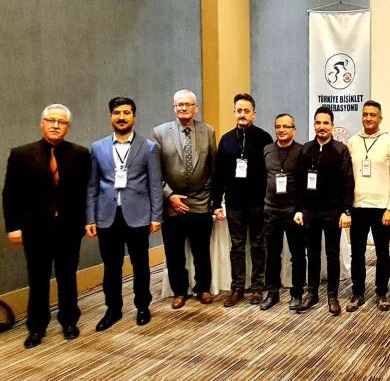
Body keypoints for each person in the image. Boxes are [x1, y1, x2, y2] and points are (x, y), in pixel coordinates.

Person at [3, 104, 90, 348]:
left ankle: (69, 321)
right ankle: (36, 327)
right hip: (35, 229)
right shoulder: (21, 154)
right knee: (38, 278)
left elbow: (86, 192)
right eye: (51, 120)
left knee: (67, 276)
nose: (56, 125)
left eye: (61, 122)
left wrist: (86, 222)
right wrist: (13, 227)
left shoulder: (80, 154)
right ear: (42, 123)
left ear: (67, 127)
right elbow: (10, 194)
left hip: (69, 228)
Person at [86, 97, 163, 331]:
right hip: (107, 216)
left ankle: (142, 306)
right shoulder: (98, 147)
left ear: (134, 117)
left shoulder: (149, 147)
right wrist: (90, 218)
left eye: (126, 113)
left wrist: (156, 216)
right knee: (111, 267)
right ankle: (113, 309)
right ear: (111, 116)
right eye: (117, 113)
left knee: (141, 265)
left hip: (138, 215)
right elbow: (92, 185)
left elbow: (155, 185)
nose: (121, 117)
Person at [152, 90, 216, 309]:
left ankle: (203, 288)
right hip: (172, 203)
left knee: (201, 250)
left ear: (195, 108)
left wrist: (209, 196)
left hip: (200, 201)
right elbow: (156, 171)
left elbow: (213, 167)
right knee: (174, 252)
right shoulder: (160, 133)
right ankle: (179, 291)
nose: (184, 108)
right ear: (174, 108)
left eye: (188, 104)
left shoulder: (208, 131)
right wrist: (170, 196)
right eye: (179, 105)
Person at [211, 93, 273, 307]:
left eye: (247, 111)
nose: (242, 114)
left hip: (258, 203)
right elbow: (218, 174)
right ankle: (237, 288)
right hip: (234, 203)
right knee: (237, 247)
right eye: (239, 111)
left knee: (258, 245)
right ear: (234, 113)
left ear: (254, 114)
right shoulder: (226, 139)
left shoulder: (264, 138)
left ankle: (257, 287)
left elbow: (270, 173)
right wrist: (216, 203)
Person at [293, 106, 354, 316]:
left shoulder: (340, 150)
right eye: (318, 123)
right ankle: (312, 293)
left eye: (326, 123)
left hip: (333, 212)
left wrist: (346, 211)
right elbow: (299, 182)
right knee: (312, 254)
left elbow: (348, 182)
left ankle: (332, 295)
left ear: (332, 126)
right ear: (314, 125)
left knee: (332, 253)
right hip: (310, 211)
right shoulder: (305, 150)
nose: (322, 127)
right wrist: (299, 209)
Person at [346, 100, 390, 313]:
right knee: (357, 253)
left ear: (380, 118)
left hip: (381, 209)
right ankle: (357, 292)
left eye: (373, 115)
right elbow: (348, 177)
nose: (368, 118)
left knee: (382, 253)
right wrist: (347, 208)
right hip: (358, 206)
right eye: (365, 114)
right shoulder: (353, 141)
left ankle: (381, 292)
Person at [261, 113, 305, 311]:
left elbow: (305, 184)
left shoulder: (302, 151)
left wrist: (301, 209)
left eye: (286, 126)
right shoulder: (267, 150)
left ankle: (297, 293)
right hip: (271, 210)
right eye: (278, 126)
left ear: (294, 130)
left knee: (297, 255)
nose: (281, 130)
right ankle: (272, 292)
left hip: (293, 211)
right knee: (272, 254)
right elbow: (262, 179)